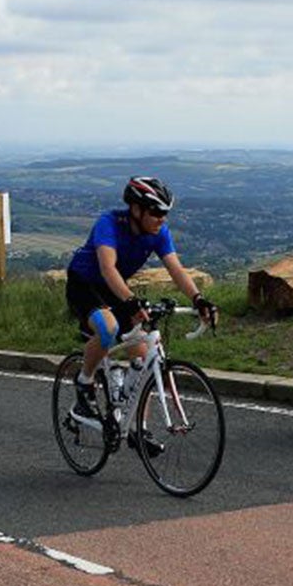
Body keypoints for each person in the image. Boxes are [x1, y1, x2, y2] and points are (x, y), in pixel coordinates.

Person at [65, 176, 219, 414]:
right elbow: (108, 268)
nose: (162, 219)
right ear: (136, 209)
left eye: (165, 213)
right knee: (108, 329)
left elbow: (176, 269)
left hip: (114, 287)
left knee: (144, 357)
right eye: (157, 212)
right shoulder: (109, 223)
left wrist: (198, 299)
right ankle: (84, 383)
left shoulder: (159, 232)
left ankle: (138, 427)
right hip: (84, 283)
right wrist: (130, 300)